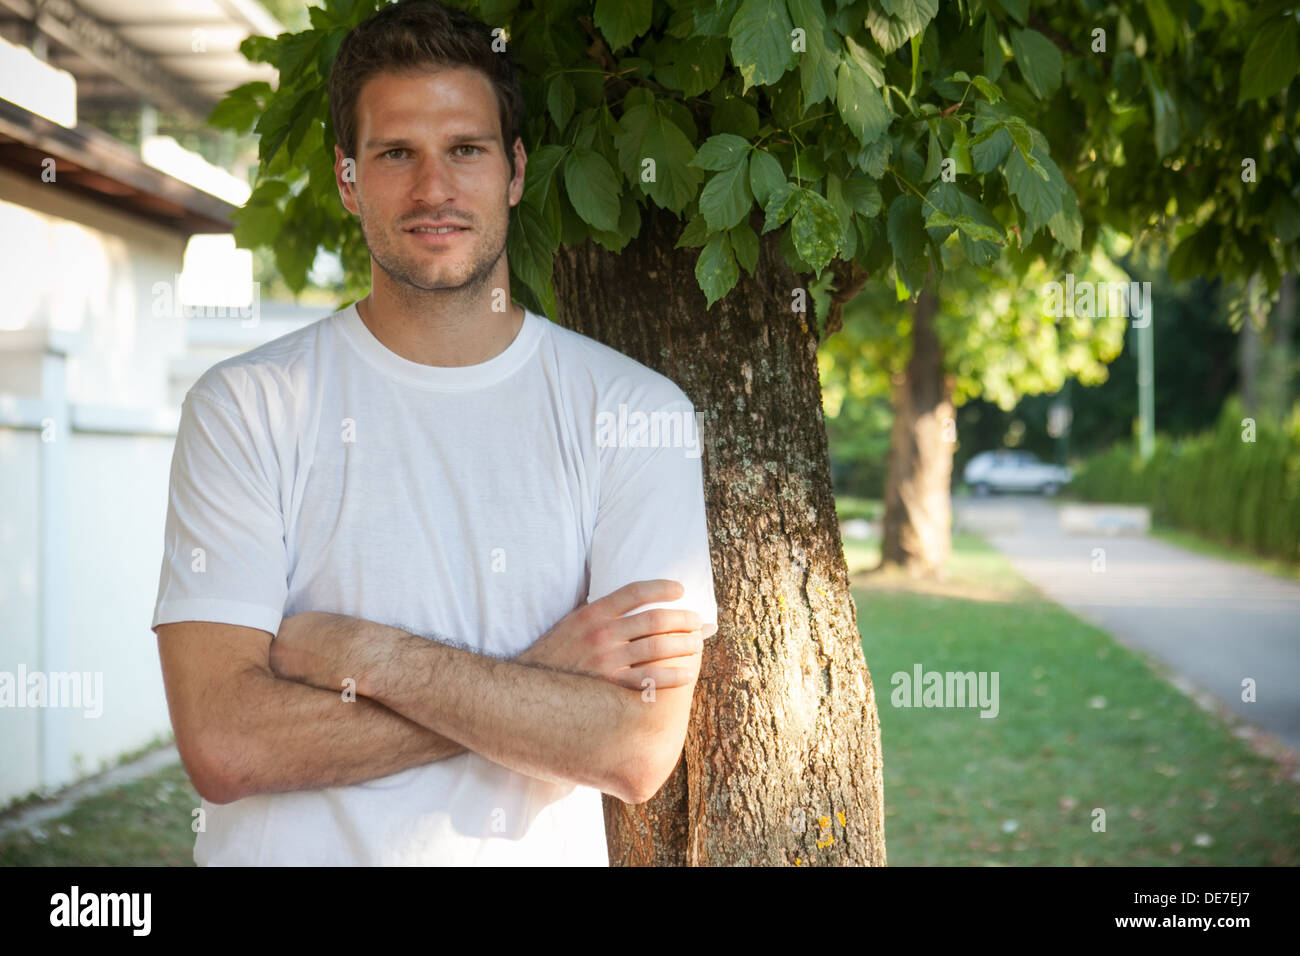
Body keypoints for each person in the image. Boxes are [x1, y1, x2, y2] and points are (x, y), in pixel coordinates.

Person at [150, 0, 717, 866]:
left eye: (466, 149)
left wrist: (358, 652)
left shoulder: (633, 414)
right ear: (348, 178)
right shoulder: (247, 407)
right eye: (395, 154)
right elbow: (227, 746)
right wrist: (539, 680)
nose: (433, 189)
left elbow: (632, 750)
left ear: (516, 169)